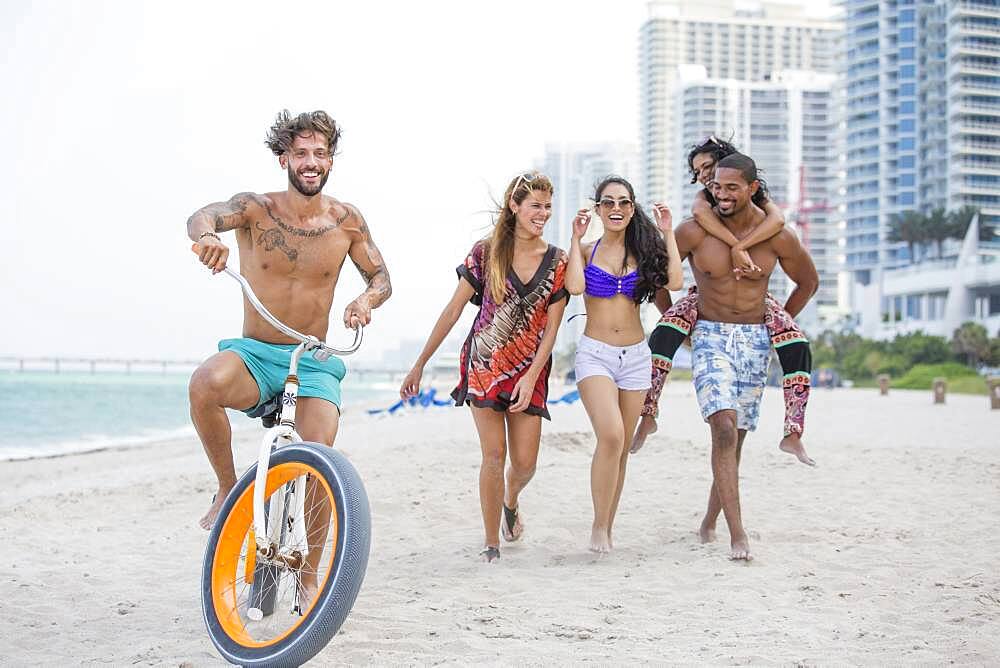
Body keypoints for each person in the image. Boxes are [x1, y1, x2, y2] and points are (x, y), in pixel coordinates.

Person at [186, 109, 392, 542]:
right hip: (256, 356)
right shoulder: (255, 208)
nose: (311, 162)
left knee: (320, 463)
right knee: (204, 383)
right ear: (284, 159)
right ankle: (227, 486)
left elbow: (381, 279)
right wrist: (208, 238)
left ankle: (313, 573)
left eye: (320, 153)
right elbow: (203, 215)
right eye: (300, 153)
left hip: (312, 361)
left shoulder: (347, 221)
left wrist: (364, 299)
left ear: (331, 160)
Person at [399, 171, 568, 563]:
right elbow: (454, 309)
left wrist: (530, 377)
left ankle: (511, 499)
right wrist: (420, 363)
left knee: (525, 464)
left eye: (547, 207)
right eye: (534, 206)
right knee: (494, 455)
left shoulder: (558, 260)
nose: (542, 214)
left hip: (532, 368)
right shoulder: (485, 252)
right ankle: (491, 544)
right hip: (485, 365)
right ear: (514, 205)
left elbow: (552, 330)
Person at [631, 135, 815, 467]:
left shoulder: (764, 212)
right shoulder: (702, 208)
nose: (704, 177)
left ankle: (794, 431)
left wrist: (775, 325)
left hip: (757, 316)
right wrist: (736, 246)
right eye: (699, 172)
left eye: (708, 167)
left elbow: (777, 221)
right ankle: (648, 412)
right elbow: (659, 271)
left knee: (797, 344)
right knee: (662, 333)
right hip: (703, 308)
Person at [673, 153, 818, 560]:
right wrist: (679, 325)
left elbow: (808, 281)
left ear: (753, 188)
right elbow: (661, 276)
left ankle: (709, 520)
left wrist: (780, 324)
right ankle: (739, 535)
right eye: (716, 186)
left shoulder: (777, 236)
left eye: (731, 188)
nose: (721, 194)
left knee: (734, 439)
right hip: (710, 336)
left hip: (755, 338)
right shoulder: (695, 231)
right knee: (721, 426)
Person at [564, 176, 683, 553]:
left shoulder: (645, 253)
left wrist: (668, 233)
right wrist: (573, 238)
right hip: (595, 353)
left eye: (624, 203)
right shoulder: (584, 250)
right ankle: (598, 527)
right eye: (609, 203)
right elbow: (575, 288)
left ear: (633, 209)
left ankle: (607, 527)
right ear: (598, 208)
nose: (616, 209)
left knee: (621, 447)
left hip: (635, 358)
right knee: (611, 436)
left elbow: (676, 282)